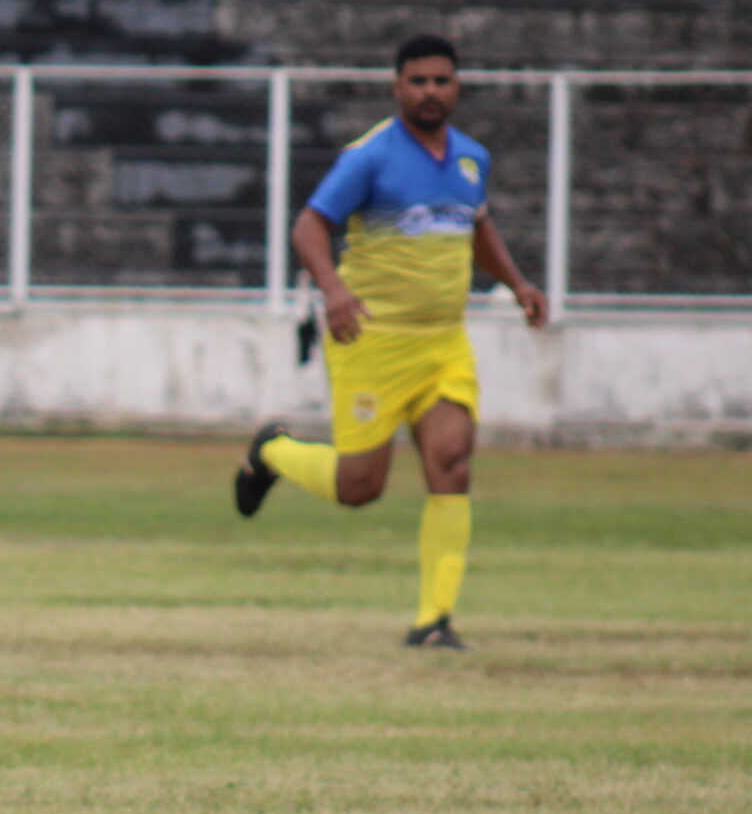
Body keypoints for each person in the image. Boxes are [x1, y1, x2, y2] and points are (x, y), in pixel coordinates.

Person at [234, 34, 548, 649]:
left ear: (457, 86)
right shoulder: (369, 157)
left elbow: (476, 225)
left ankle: (434, 621)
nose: (431, 91)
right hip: (372, 341)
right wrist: (334, 290)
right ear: (397, 86)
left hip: (443, 342)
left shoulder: (470, 159)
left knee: (452, 466)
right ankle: (272, 451)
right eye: (419, 81)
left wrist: (516, 283)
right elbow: (309, 225)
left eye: (443, 81)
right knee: (360, 488)